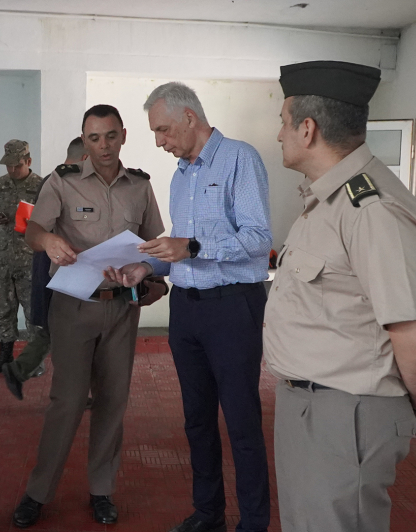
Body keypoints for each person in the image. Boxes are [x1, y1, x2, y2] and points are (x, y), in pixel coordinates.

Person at [265, 61, 416, 531]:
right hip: (314, 407)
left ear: (307, 129)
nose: (279, 134)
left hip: (344, 415)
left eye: (283, 122)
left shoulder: (372, 211)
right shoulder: (328, 201)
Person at [107, 82, 272, 532]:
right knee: (196, 421)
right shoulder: (181, 174)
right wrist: (147, 269)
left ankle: (254, 523)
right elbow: (179, 249)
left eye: (162, 130)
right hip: (188, 312)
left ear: (189, 118)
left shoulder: (240, 158)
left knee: (241, 423)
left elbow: (260, 240)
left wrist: (194, 246)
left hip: (233, 309)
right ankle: (208, 514)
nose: (159, 141)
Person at [11, 105, 165, 528]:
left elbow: (156, 247)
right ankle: (38, 492)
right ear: (84, 139)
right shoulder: (62, 181)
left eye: (111, 136)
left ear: (123, 136)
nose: (104, 146)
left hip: (121, 306)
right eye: (94, 138)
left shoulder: (139, 187)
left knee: (113, 403)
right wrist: (49, 241)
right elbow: (31, 231)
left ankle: (102, 490)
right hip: (74, 306)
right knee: (68, 401)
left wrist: (152, 278)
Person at [1, 137, 87, 400]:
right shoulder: (63, 183)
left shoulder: (49, 180)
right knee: (64, 332)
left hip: (49, 268)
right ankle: (64, 392)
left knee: (54, 331)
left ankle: (24, 371)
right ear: (86, 158)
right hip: (59, 270)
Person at [0, 140, 43, 374]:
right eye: (9, 166)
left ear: (29, 161)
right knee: (3, 310)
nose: (13, 170)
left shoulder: (42, 187)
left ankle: (34, 360)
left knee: (34, 313)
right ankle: (4, 356)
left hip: (31, 263)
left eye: (17, 165)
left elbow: (56, 221)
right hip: (2, 262)